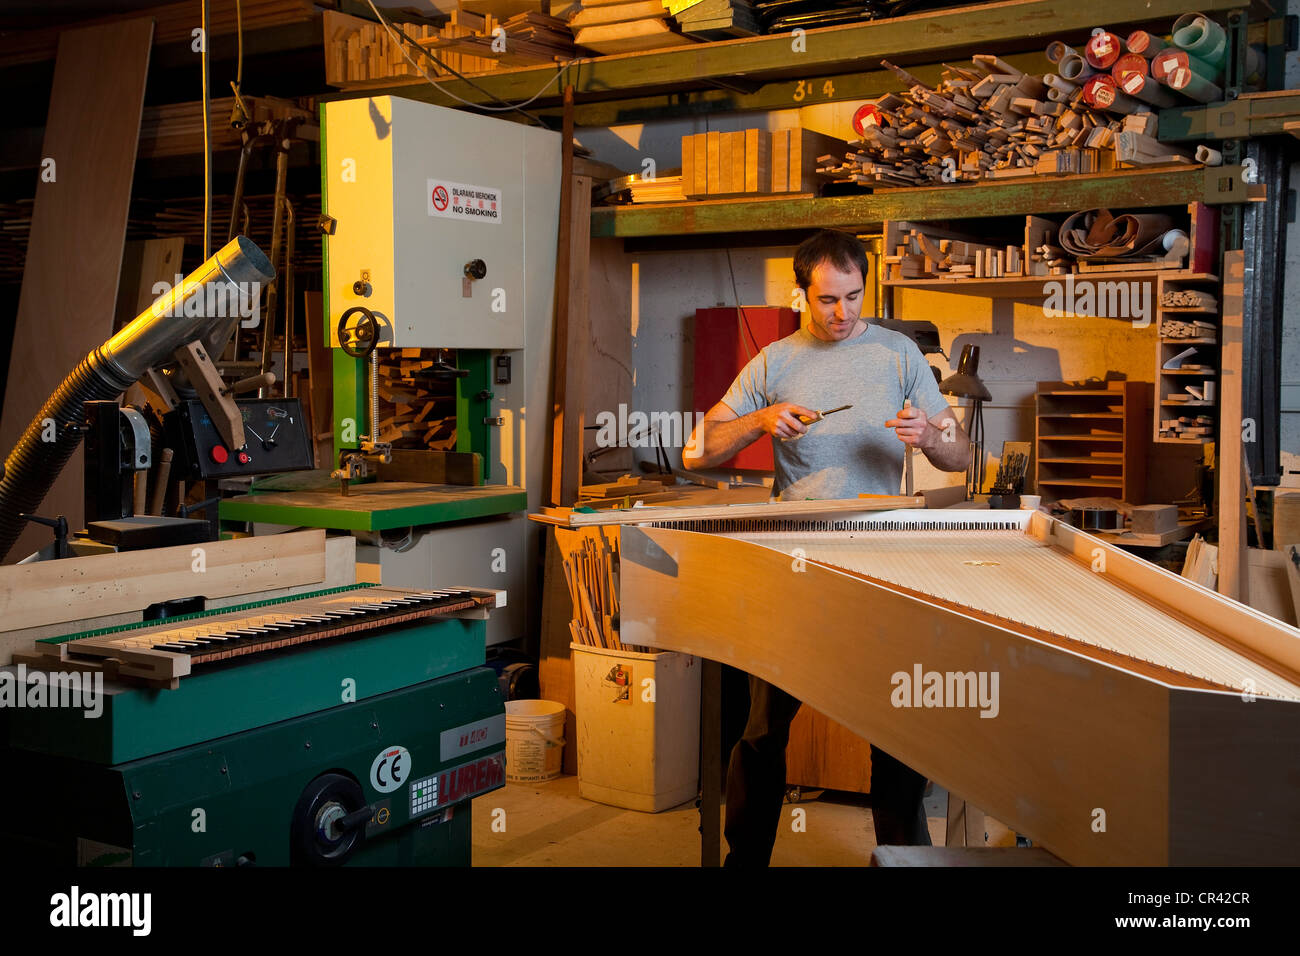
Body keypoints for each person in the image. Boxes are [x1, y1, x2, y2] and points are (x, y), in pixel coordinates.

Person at [682, 229, 971, 866]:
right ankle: (745, 862)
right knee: (761, 730)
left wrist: (928, 435)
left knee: (894, 735)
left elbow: (960, 456)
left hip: (876, 566)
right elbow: (696, 451)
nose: (842, 314)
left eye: (853, 297)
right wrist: (759, 420)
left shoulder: (899, 356)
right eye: (827, 301)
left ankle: (902, 858)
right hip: (794, 569)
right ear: (801, 296)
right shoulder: (774, 362)